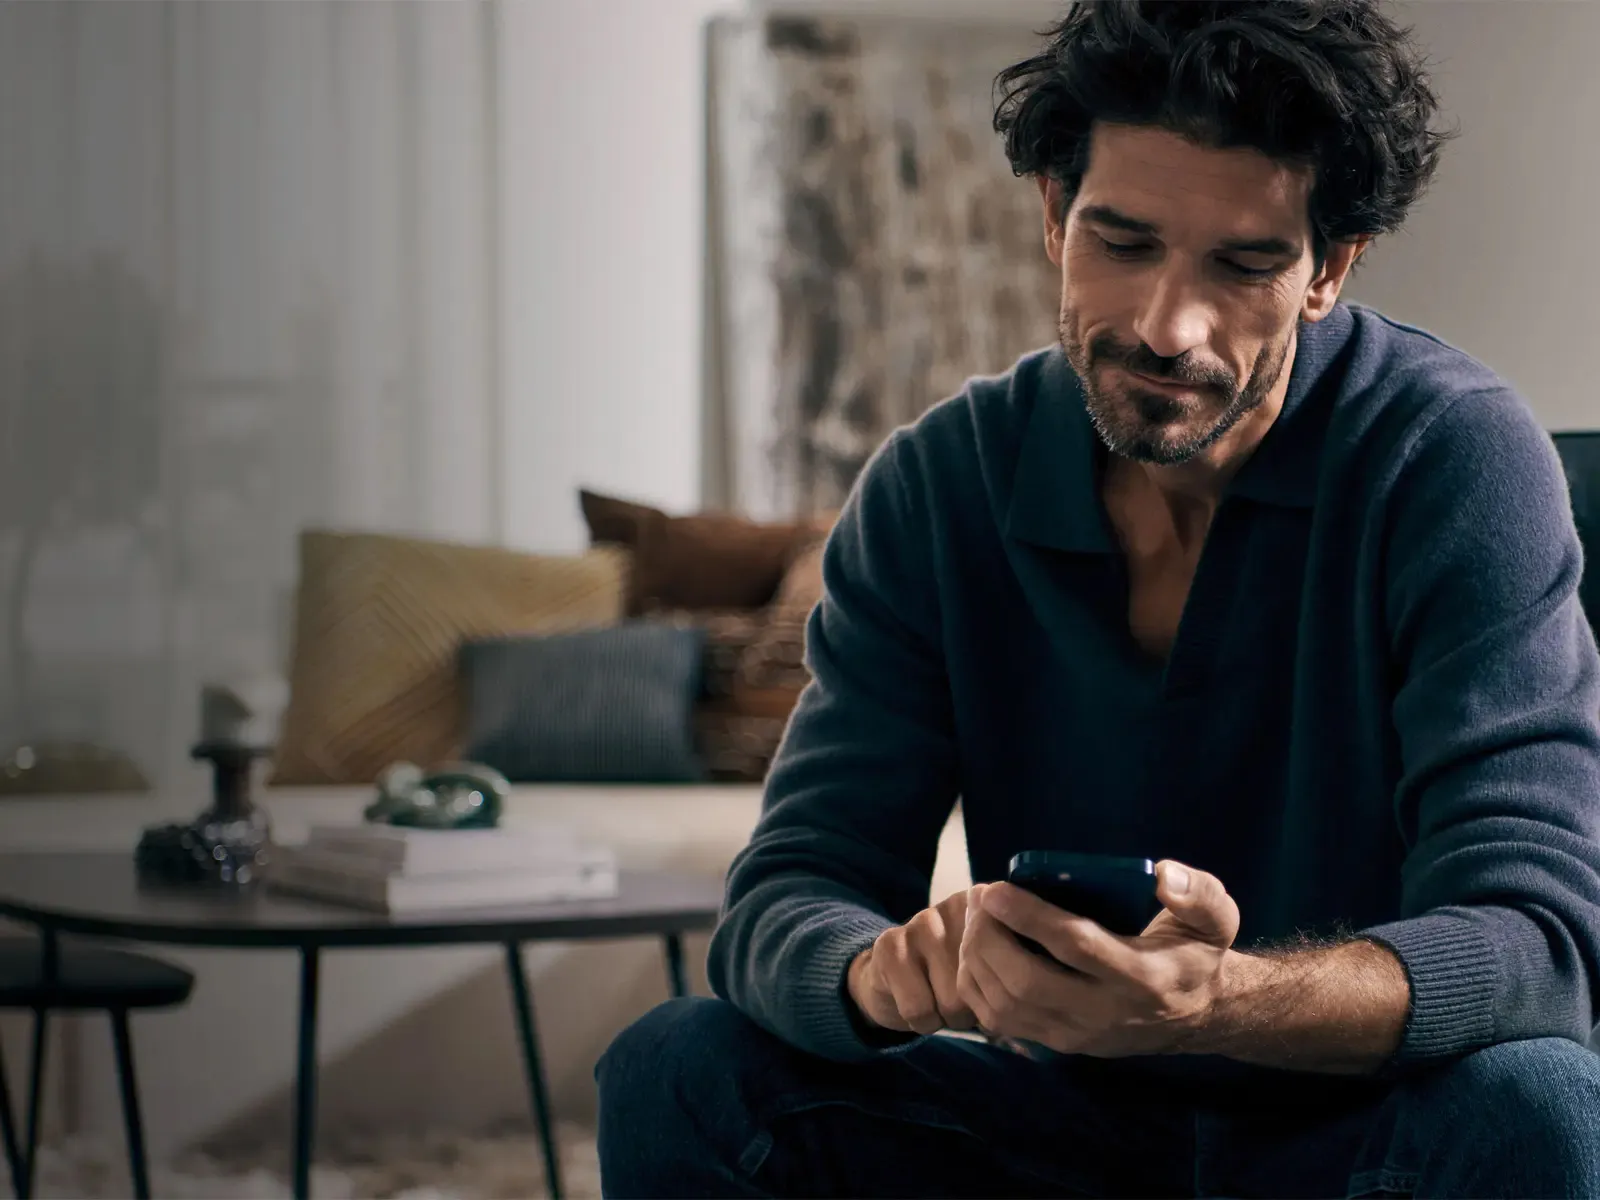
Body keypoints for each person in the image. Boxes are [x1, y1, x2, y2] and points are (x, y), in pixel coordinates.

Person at [598, 2, 1600, 1195]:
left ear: (1328, 269)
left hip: (1362, 1142)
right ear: (1051, 213)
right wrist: (899, 973)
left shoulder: (1449, 459)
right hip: (1056, 1130)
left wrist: (1215, 1003)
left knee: (1542, 1107)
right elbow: (788, 892)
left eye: (1243, 264)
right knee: (678, 1067)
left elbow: (1538, 951)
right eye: (1120, 243)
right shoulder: (937, 485)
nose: (1166, 328)